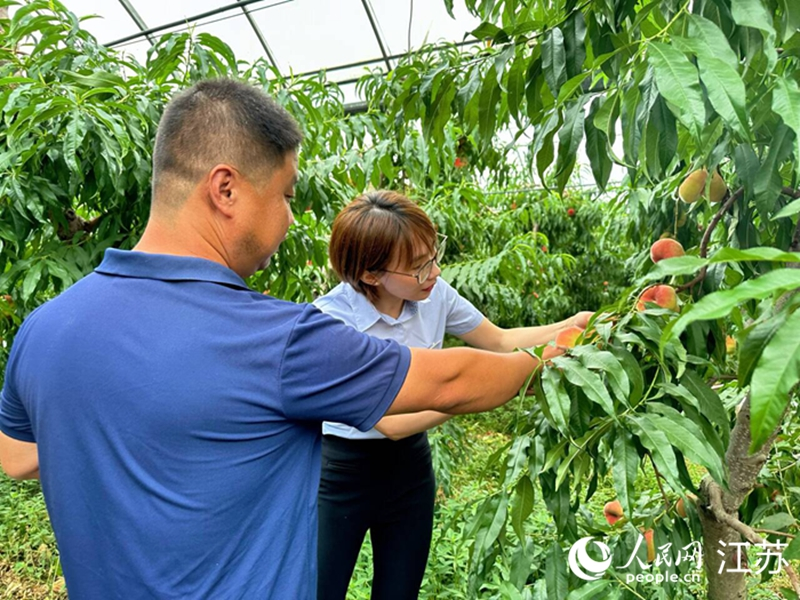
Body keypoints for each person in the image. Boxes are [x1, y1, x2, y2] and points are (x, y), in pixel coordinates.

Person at [0, 78, 562, 600]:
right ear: (226, 189)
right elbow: (453, 380)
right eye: (287, 194)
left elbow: (19, 458)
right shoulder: (277, 339)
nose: (291, 218)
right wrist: (557, 358)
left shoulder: (44, 327)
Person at [313, 191, 592, 600]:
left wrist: (576, 325)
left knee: (400, 590)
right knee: (321, 589)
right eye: (418, 266)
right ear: (371, 275)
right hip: (341, 473)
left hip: (410, 467)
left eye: (433, 255)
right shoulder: (332, 322)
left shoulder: (433, 294)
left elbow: (498, 340)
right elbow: (389, 422)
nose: (434, 271)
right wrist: (472, 395)